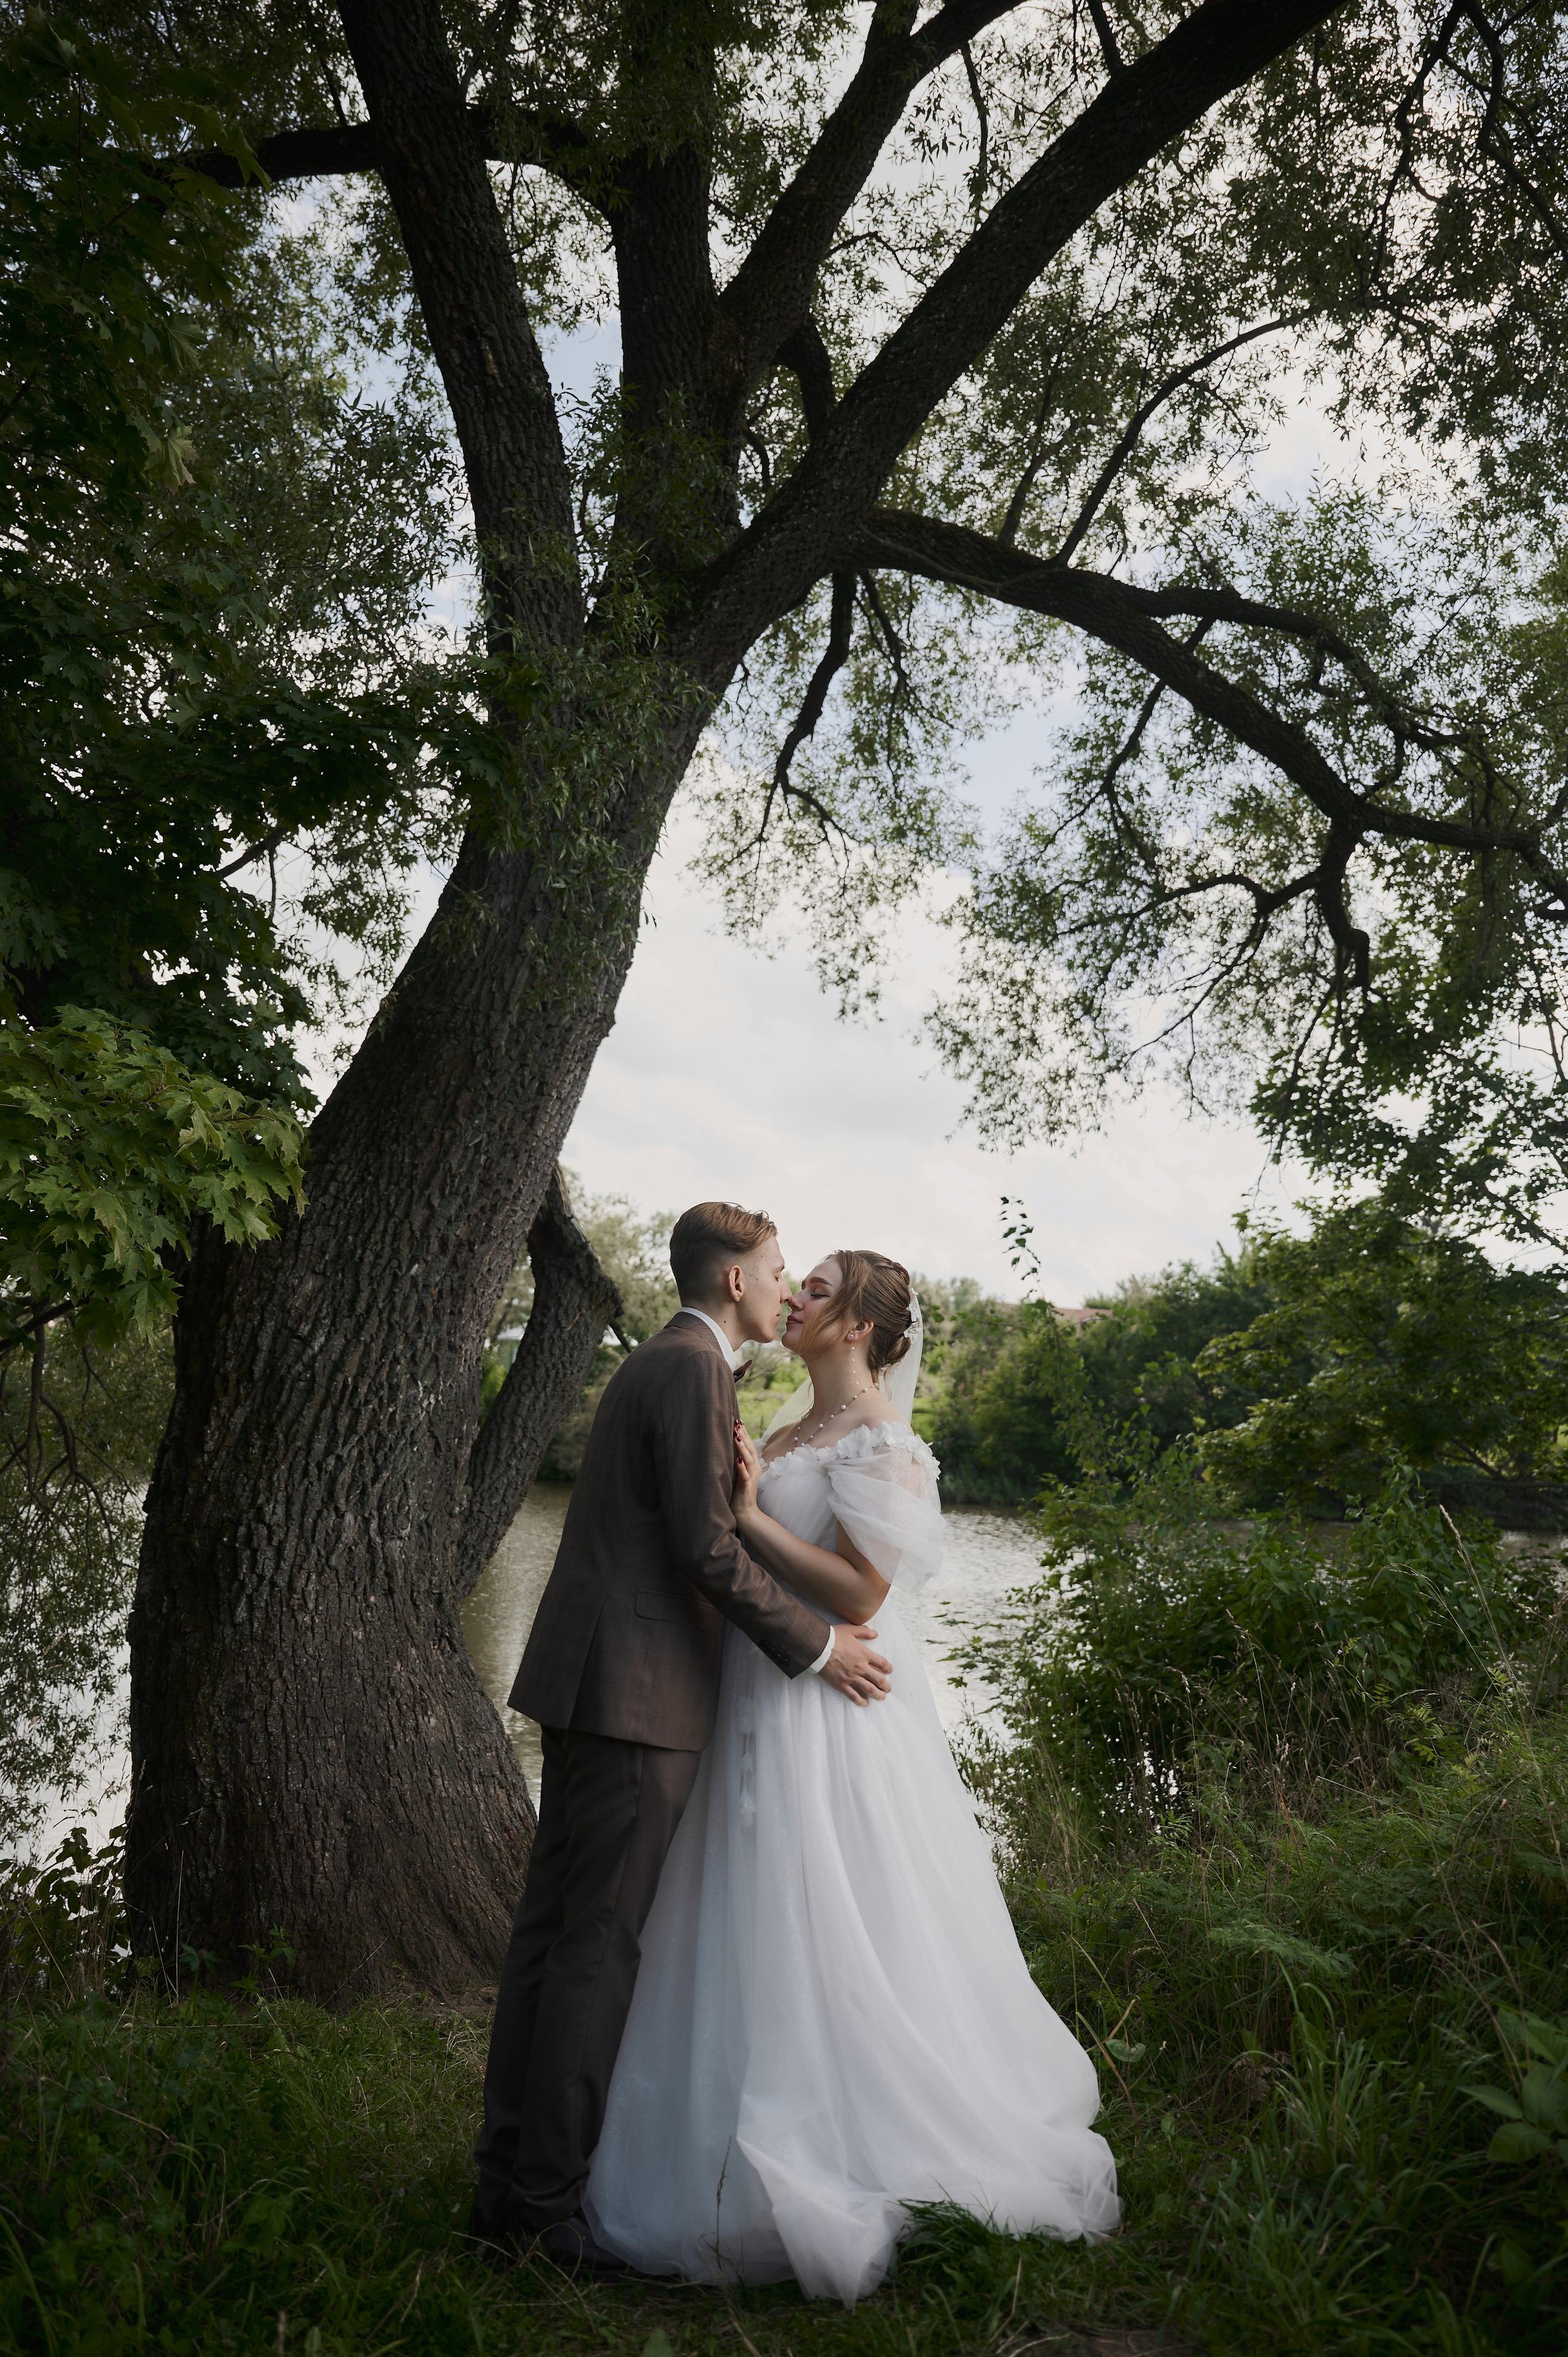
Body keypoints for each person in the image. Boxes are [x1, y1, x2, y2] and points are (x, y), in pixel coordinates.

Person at [582, 1249, 1121, 2304]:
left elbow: (863, 1596)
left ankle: (859, 2131)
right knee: (730, 1898)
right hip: (752, 1683)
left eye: (819, 1289)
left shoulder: (888, 1446)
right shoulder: (785, 1426)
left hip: (832, 1699)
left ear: (864, 1329)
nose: (798, 1297)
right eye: (802, 1280)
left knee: (829, 1898)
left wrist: (747, 1518)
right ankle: (704, 2133)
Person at [469, 1203, 894, 2271]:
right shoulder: (696, 1370)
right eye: (779, 1271)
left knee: (552, 1938)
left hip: (593, 1683)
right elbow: (707, 1549)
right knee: (595, 1948)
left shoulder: (666, 1363)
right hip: (639, 1695)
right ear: (734, 1281)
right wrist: (818, 1649)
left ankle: (508, 2178)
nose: (787, 1288)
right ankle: (545, 2213)